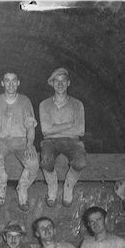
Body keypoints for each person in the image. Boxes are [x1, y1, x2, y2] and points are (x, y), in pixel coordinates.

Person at [0, 70, 39, 211]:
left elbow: (30, 125)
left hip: (21, 140)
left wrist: (30, 144)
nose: (10, 84)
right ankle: (1, 186)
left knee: (33, 162)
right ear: (2, 83)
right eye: (7, 80)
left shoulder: (25, 101)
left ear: (18, 82)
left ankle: (22, 189)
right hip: (2, 140)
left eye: (14, 80)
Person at [39, 68, 86, 208]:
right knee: (46, 160)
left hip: (73, 140)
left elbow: (81, 130)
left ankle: (68, 186)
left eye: (63, 80)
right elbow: (45, 131)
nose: (60, 84)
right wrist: (70, 124)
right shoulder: (44, 104)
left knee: (81, 162)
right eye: (56, 81)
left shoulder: (77, 104)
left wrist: (55, 128)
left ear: (68, 83)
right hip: (50, 141)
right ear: (52, 84)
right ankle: (52, 186)